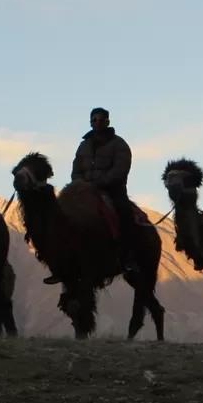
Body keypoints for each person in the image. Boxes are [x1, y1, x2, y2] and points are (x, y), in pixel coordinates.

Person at [71, 107, 138, 277]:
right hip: (85, 190)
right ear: (90, 122)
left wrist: (100, 182)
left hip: (112, 189)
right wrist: (80, 183)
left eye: (101, 120)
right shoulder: (84, 146)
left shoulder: (119, 144)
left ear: (108, 122)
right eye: (94, 120)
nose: (97, 123)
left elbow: (121, 168)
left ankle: (130, 257)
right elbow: (76, 168)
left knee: (124, 213)